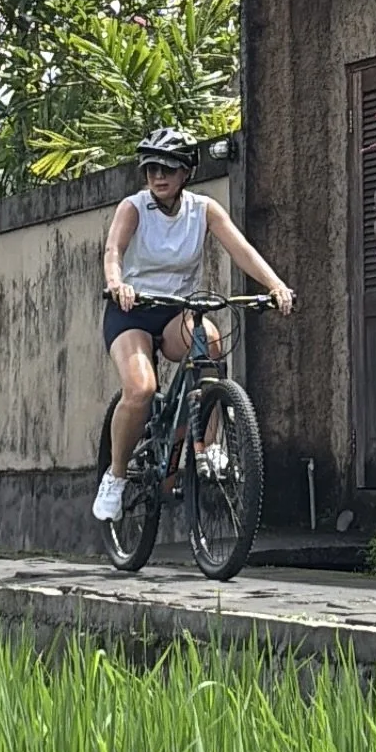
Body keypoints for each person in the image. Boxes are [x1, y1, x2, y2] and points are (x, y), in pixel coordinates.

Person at [94, 132, 293, 526]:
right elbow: (113, 249)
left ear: (186, 172)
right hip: (132, 311)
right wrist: (117, 284)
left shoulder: (203, 210)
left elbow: (242, 250)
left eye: (167, 168)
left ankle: (207, 445)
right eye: (151, 168)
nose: (158, 176)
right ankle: (115, 476)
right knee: (141, 389)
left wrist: (275, 286)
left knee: (211, 346)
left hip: (175, 312)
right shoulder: (133, 207)